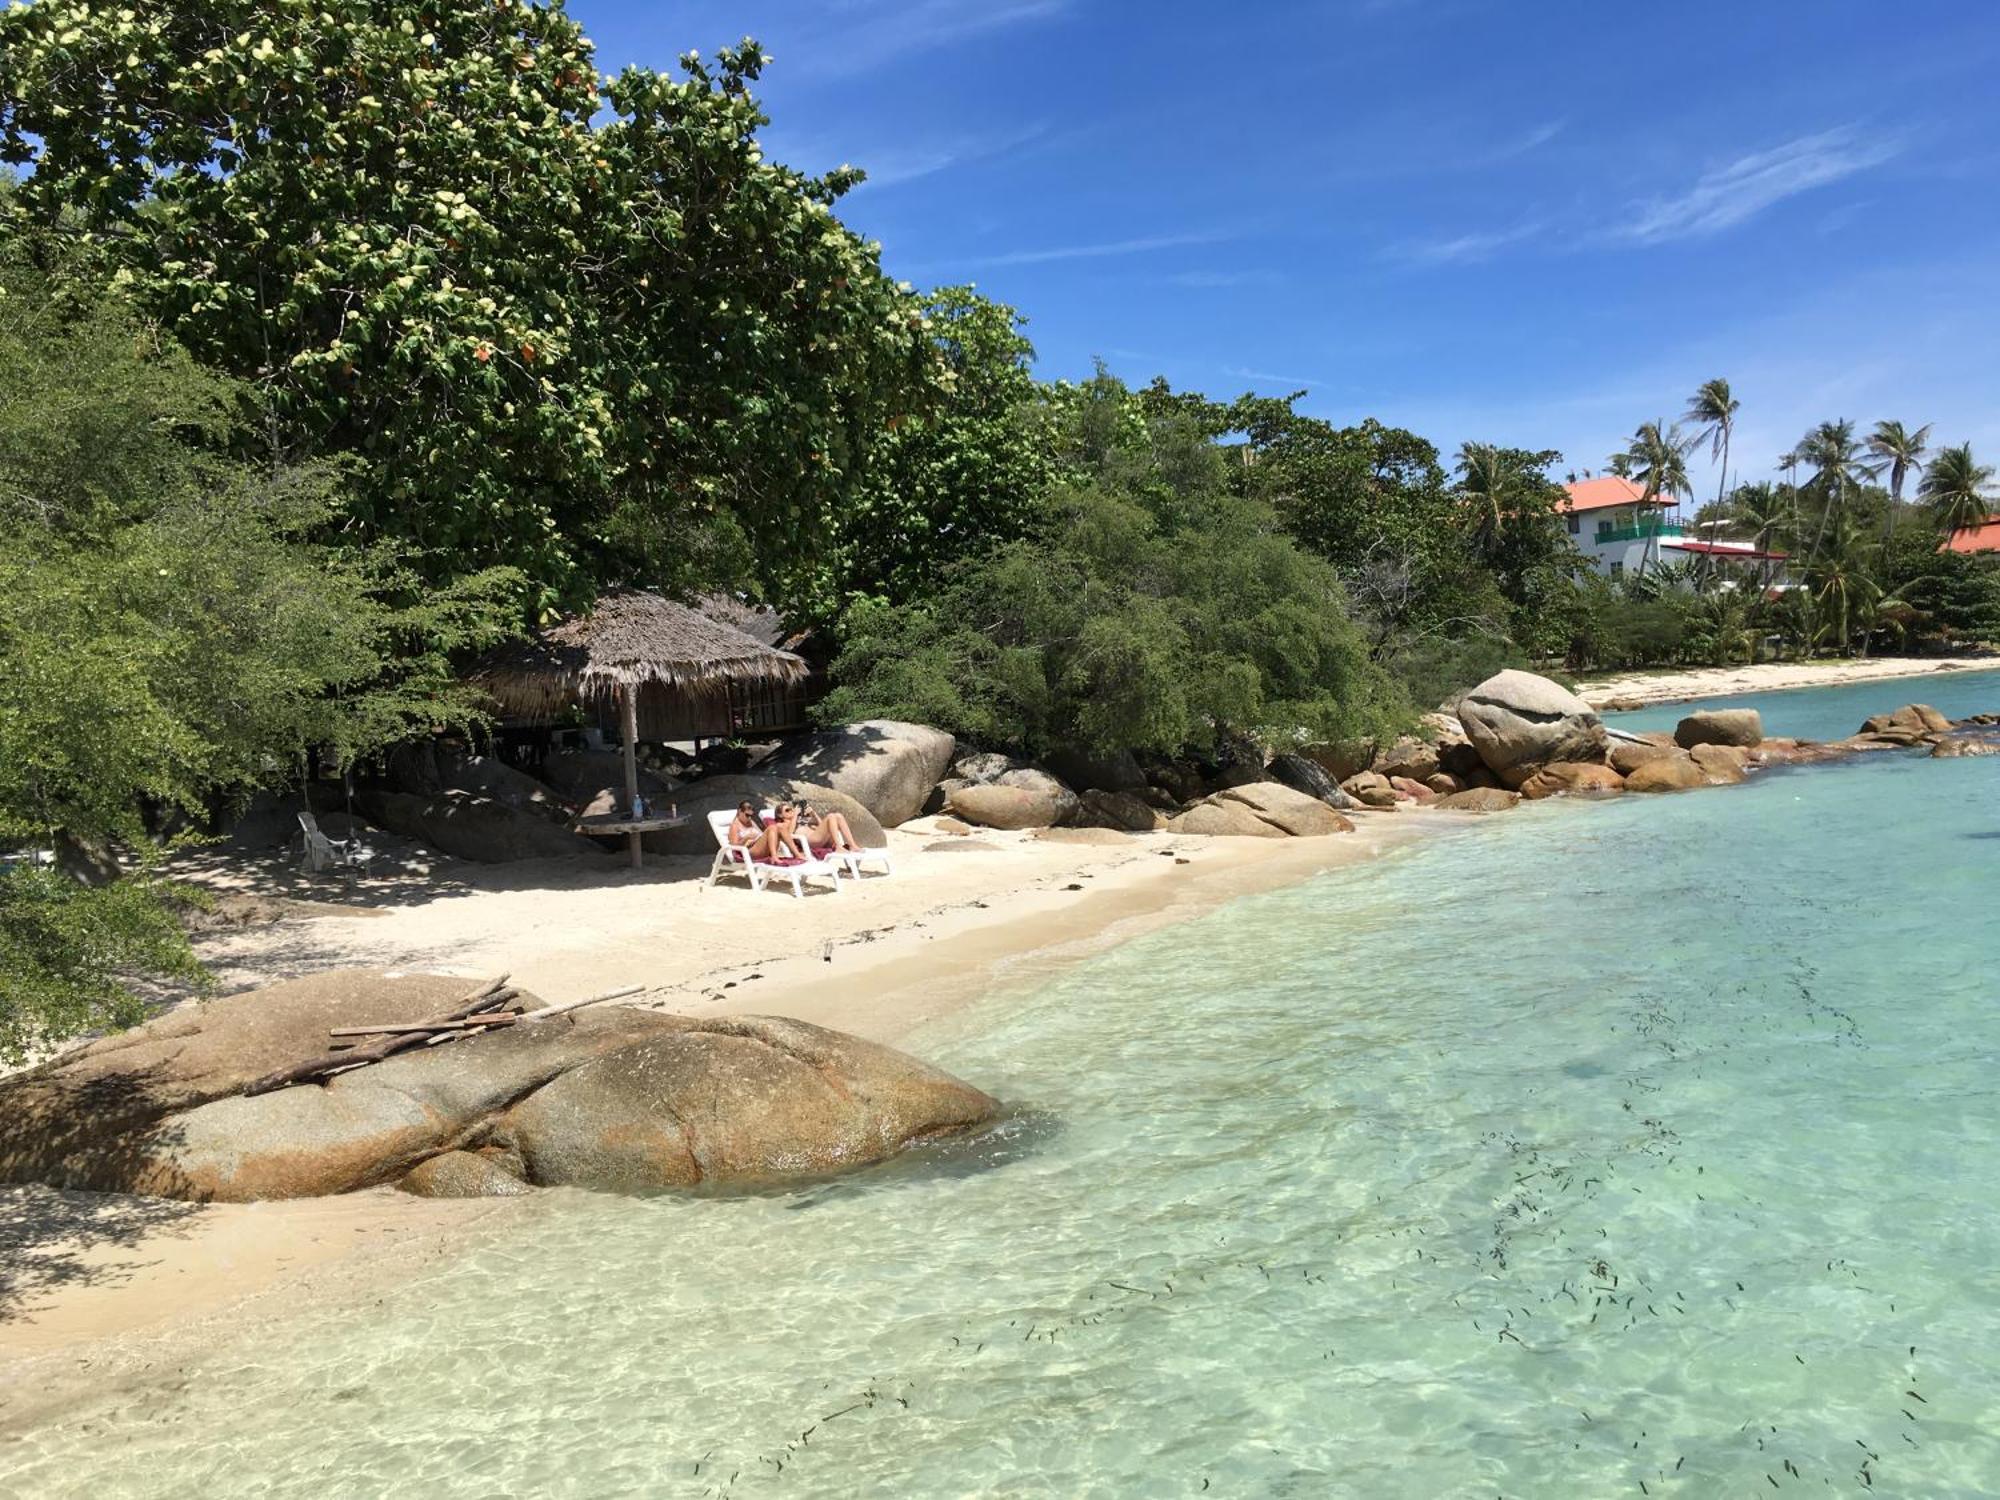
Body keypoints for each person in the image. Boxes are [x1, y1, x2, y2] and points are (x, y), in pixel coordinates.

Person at [727, 800, 797, 862]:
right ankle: (774, 856)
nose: (749, 818)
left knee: (780, 826)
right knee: (772, 827)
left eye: (751, 816)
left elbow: (762, 835)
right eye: (747, 815)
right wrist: (746, 838)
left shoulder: (751, 822)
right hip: (750, 851)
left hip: (761, 847)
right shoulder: (735, 826)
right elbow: (734, 846)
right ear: (739, 811)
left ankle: (797, 854)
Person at [793, 802, 862, 856]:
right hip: (811, 842)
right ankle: (839, 846)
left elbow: (824, 824)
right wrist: (795, 814)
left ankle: (853, 845)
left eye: (805, 814)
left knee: (838, 816)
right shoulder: (790, 823)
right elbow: (789, 833)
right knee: (830, 816)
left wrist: (814, 814)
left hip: (821, 840)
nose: (804, 815)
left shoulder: (811, 825)